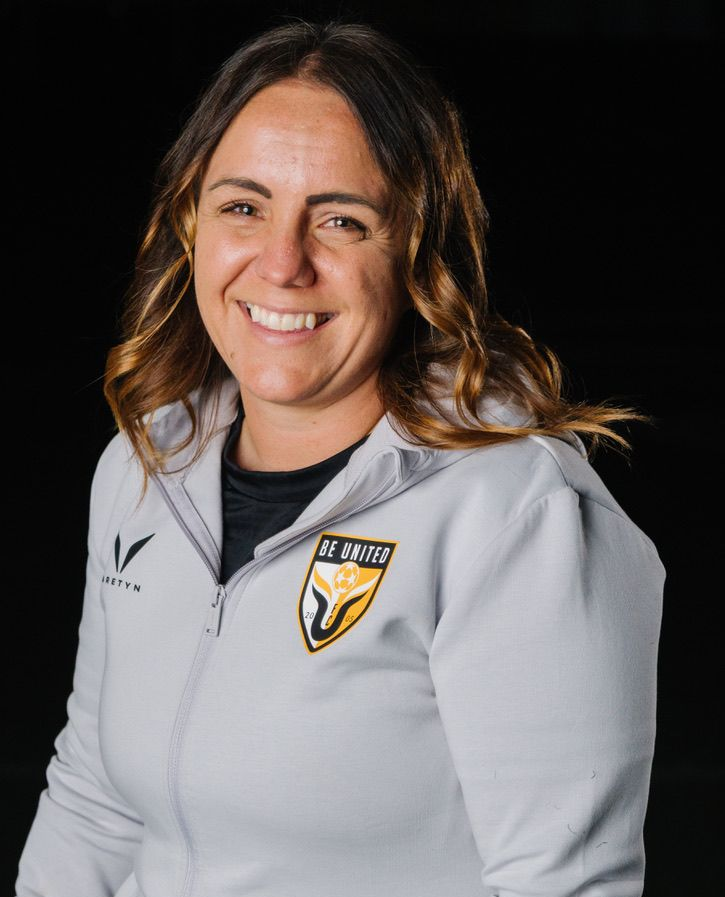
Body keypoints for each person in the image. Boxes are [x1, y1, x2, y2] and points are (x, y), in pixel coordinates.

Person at [15, 19, 665, 897]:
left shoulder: (514, 513)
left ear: (415, 251)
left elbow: (565, 884)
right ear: (192, 224)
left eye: (340, 220)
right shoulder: (143, 467)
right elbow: (96, 804)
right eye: (243, 207)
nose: (282, 263)